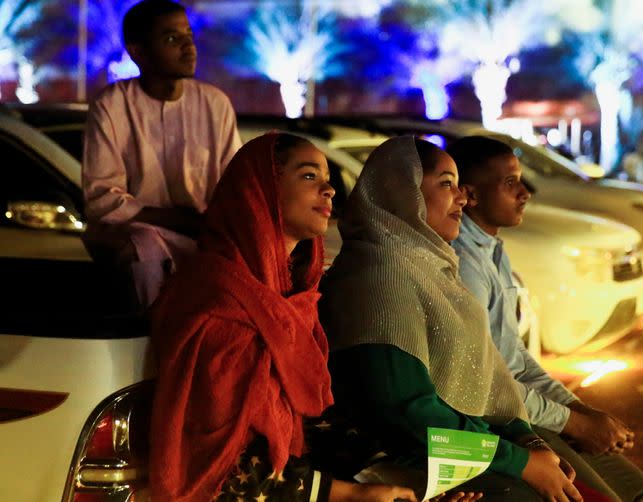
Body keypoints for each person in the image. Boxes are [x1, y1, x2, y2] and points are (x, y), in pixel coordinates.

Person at [147, 132, 424, 502]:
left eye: (327, 178)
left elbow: (311, 424)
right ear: (261, 191)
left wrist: (400, 475)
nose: (328, 190)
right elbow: (218, 469)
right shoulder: (219, 304)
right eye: (309, 176)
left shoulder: (292, 297)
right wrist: (350, 494)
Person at [319, 136, 584, 502]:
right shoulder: (379, 277)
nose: (461, 197)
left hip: (467, 445)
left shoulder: (432, 266)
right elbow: (409, 416)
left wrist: (527, 438)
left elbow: (489, 375)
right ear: (403, 192)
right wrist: (520, 461)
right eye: (446, 184)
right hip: (404, 460)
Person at [448, 136, 643, 502]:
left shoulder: (491, 249)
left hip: (517, 409)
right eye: (510, 183)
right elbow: (482, 385)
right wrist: (573, 422)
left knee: (638, 489)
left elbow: (515, 358)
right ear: (471, 195)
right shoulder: (463, 263)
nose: (525, 192)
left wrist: (578, 408)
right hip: (489, 425)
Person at [82, 0, 242, 308]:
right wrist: (181, 221)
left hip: (205, 239)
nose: (188, 46)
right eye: (172, 39)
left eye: (189, 36)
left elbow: (234, 185)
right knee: (143, 248)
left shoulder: (214, 104)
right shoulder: (111, 105)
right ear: (138, 52)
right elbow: (103, 199)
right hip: (138, 240)